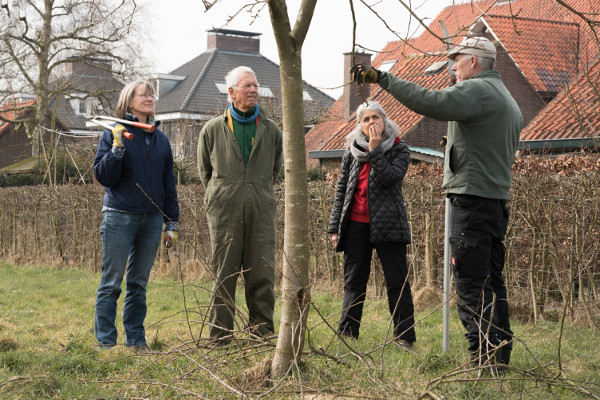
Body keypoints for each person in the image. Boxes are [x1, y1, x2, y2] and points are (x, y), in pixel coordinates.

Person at [351, 36, 522, 367]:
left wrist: (382, 77)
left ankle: (482, 360)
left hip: (470, 202)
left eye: (456, 60)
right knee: (492, 280)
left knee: (471, 283)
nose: (452, 66)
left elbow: (427, 100)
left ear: (474, 61)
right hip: (496, 201)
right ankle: (500, 354)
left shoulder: (476, 91)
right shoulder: (507, 99)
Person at [198, 66, 283, 342]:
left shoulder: (272, 131)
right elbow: (205, 173)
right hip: (224, 212)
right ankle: (220, 336)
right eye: (247, 86)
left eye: (255, 85)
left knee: (262, 272)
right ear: (231, 92)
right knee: (225, 274)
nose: (254, 90)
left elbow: (276, 171)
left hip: (261, 209)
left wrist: (255, 191)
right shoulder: (212, 130)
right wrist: (226, 194)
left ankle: (261, 333)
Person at [93, 80, 179, 350]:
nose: (150, 98)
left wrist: (171, 222)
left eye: (152, 94)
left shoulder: (161, 139)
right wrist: (117, 149)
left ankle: (136, 342)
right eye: (144, 94)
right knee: (111, 283)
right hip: (119, 215)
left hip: (152, 219)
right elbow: (103, 176)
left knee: (138, 285)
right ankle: (106, 343)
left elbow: (169, 184)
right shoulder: (114, 131)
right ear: (129, 101)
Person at [328, 101, 416, 348]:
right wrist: (335, 226)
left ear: (385, 120)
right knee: (354, 282)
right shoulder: (352, 151)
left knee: (397, 282)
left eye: (375, 117)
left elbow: (391, 178)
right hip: (355, 224)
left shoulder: (399, 149)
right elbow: (342, 190)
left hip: (390, 225)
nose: (371, 123)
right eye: (365, 119)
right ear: (359, 125)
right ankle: (347, 337)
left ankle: (405, 338)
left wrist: (376, 150)